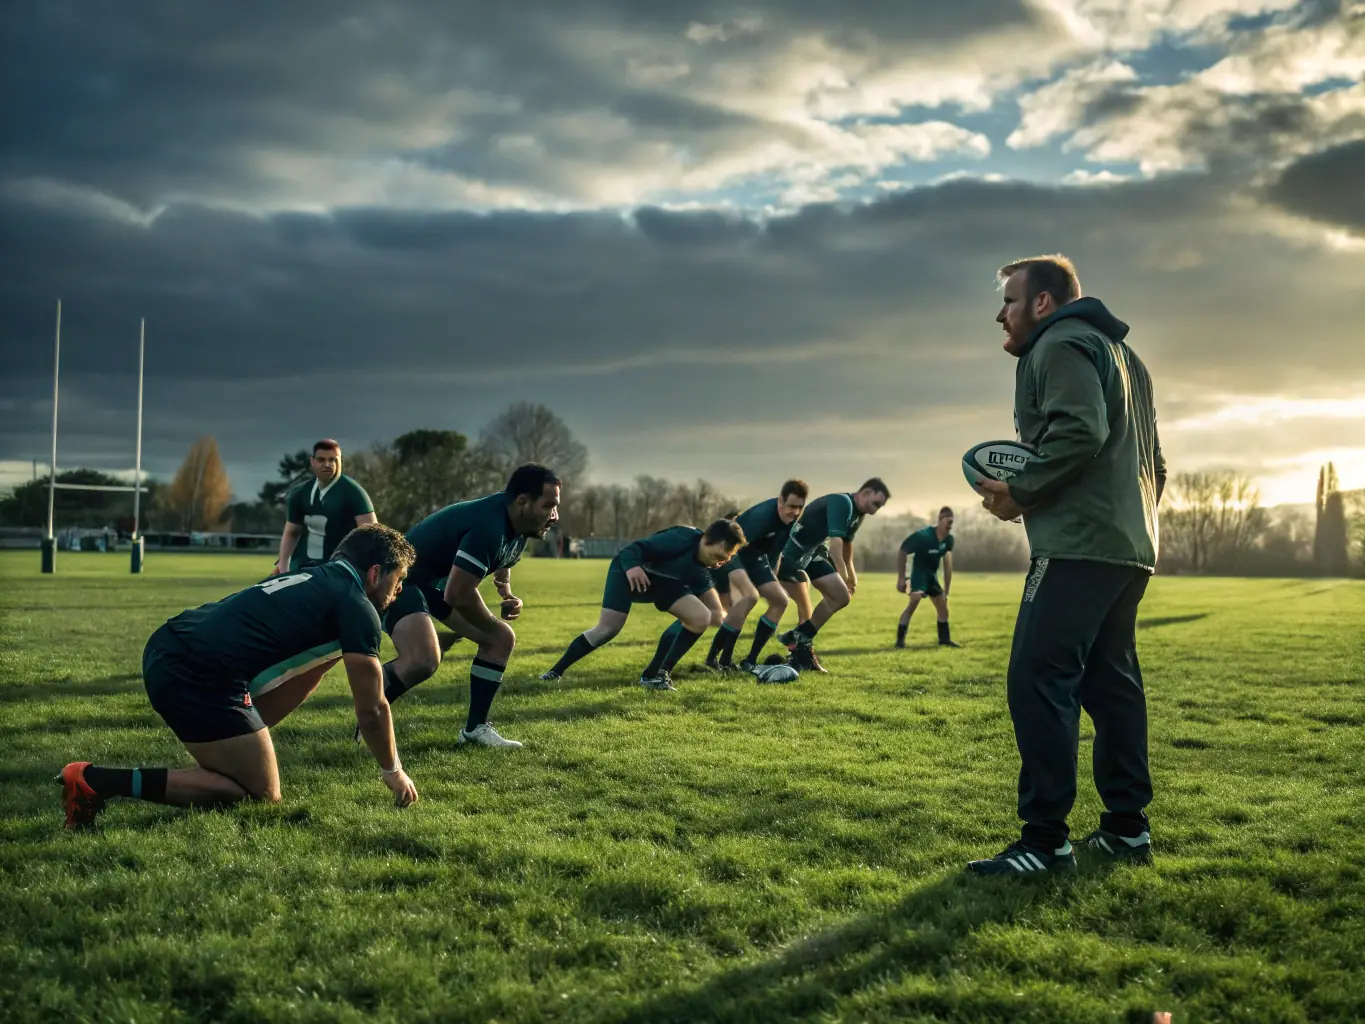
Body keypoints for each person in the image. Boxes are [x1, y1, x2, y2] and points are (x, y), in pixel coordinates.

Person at [968, 253, 1166, 877]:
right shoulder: (1126, 358)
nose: (1000, 313)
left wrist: (1020, 493)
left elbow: (1079, 431)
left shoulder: (1059, 344)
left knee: (1037, 678)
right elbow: (1154, 463)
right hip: (1128, 547)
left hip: (1079, 545)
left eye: (1009, 301)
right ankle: (1126, 829)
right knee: (1110, 684)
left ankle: (1044, 841)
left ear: (1043, 303)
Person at [58, 525, 419, 829]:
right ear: (375, 573)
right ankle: (94, 781)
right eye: (398, 579)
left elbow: (305, 677)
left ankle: (100, 781)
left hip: (171, 644)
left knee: (245, 781)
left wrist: (251, 728)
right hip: (198, 671)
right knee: (261, 796)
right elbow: (372, 708)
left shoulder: (310, 577)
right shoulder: (357, 606)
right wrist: (393, 770)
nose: (398, 590)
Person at [374, 464, 561, 750]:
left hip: (432, 585)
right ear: (522, 501)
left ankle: (475, 731)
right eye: (549, 505)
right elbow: (458, 593)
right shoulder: (490, 524)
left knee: (500, 640)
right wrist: (491, 625)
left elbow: (502, 562)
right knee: (423, 660)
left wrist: (507, 593)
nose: (554, 516)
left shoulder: (521, 526)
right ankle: (369, 714)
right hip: (396, 580)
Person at [541, 519, 747, 691]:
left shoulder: (703, 568)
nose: (719, 563)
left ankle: (655, 675)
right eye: (719, 556)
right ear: (710, 540)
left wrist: (721, 612)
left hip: (665, 583)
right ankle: (554, 672)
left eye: (724, 560)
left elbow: (712, 606)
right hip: (628, 571)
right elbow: (633, 549)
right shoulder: (681, 537)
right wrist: (632, 567)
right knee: (608, 628)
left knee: (699, 617)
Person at [773, 480, 890, 671]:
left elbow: (846, 544)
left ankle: (797, 638)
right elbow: (835, 544)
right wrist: (843, 575)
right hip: (790, 553)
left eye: (880, 506)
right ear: (866, 492)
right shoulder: (842, 502)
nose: (876, 510)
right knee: (797, 606)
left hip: (812, 553)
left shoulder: (859, 514)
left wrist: (852, 575)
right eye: (876, 503)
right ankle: (752, 659)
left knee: (841, 596)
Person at [705, 481, 809, 672]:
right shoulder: (760, 518)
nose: (795, 512)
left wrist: (772, 579)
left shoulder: (791, 521)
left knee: (781, 600)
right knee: (747, 599)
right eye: (792, 506)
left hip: (756, 558)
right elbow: (731, 548)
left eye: (800, 507)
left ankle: (750, 661)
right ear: (780, 501)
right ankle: (716, 659)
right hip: (732, 555)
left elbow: (776, 552)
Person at [274, 439, 377, 574]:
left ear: (340, 461)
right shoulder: (301, 492)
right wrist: (283, 563)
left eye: (333, 460)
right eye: (321, 460)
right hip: (303, 567)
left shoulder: (354, 493)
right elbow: (291, 532)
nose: (327, 464)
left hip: (339, 569)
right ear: (313, 461)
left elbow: (372, 535)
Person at [896, 506, 960, 648]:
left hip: (931, 576)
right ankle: (900, 642)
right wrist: (901, 578)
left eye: (951, 523)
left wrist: (946, 590)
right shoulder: (923, 536)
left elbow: (947, 563)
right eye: (947, 522)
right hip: (919, 574)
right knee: (914, 603)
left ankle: (944, 640)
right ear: (939, 520)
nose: (949, 526)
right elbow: (903, 550)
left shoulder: (949, 540)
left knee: (943, 609)